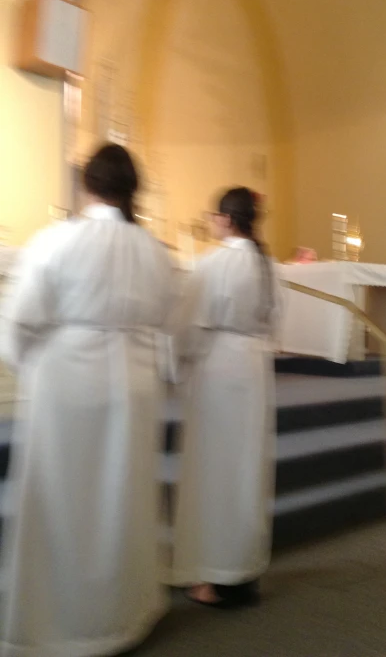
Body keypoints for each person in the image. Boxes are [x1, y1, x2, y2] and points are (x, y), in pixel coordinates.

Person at [0, 144, 175, 657]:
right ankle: (121, 617)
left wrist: (31, 366)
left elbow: (18, 322)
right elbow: (168, 316)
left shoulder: (57, 240)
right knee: (123, 497)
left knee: (63, 501)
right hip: (136, 382)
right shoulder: (155, 250)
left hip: (69, 382)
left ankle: (62, 626)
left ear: (86, 184)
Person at [168, 186, 278, 608]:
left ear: (226, 220)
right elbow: (274, 321)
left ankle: (214, 577)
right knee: (245, 470)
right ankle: (242, 572)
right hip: (252, 367)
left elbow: (188, 327)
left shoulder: (214, 263)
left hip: (218, 368)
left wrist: (176, 368)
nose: (212, 222)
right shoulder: (265, 264)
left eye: (214, 216)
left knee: (215, 473)